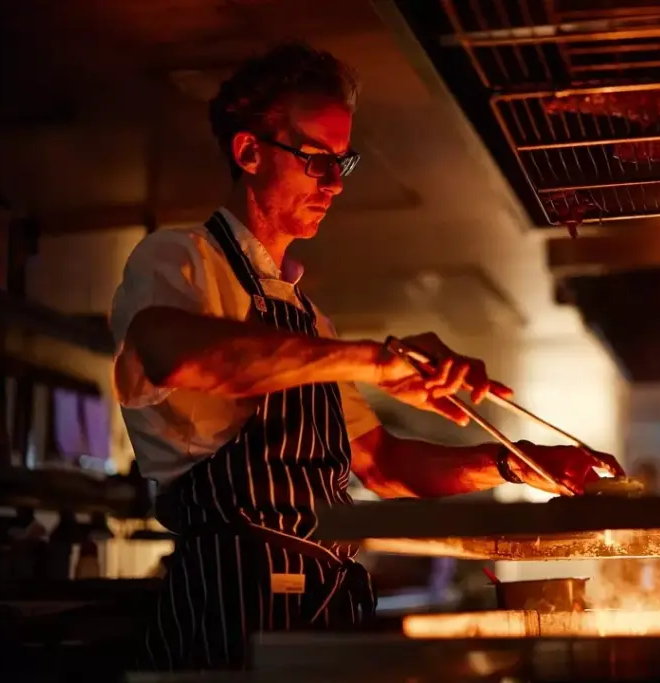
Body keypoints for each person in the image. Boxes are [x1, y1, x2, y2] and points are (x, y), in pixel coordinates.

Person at [111, 43, 624, 671]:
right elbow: (174, 354)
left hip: (327, 600)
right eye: (316, 160)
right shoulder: (180, 258)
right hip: (231, 601)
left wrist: (514, 463)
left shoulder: (309, 319)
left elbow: (383, 464)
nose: (334, 184)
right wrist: (373, 362)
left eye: (341, 162)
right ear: (249, 153)